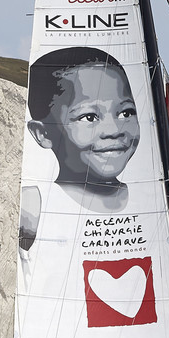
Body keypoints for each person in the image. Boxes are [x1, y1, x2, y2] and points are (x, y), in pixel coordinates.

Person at [19, 47, 140, 249]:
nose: (113, 130)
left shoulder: (154, 192)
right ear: (42, 134)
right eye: (90, 117)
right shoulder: (32, 207)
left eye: (126, 113)